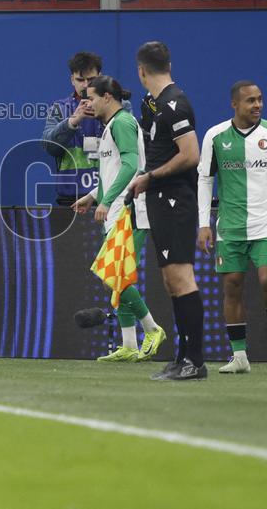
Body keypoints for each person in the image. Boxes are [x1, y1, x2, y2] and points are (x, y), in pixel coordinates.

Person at [197, 81, 267, 375]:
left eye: (259, 100)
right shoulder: (215, 136)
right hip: (230, 227)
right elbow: (205, 179)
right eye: (250, 101)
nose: (257, 105)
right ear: (235, 104)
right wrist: (203, 224)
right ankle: (239, 356)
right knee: (232, 286)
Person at [126, 41, 207, 381]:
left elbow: (190, 154)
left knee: (181, 277)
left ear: (141, 71)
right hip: (160, 198)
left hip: (176, 198)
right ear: (169, 65)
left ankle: (195, 361)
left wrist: (151, 177)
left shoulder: (175, 103)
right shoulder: (156, 104)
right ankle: (182, 356)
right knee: (170, 279)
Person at [72, 75, 166, 363]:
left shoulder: (123, 122)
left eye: (91, 98)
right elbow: (112, 171)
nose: (88, 103)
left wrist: (107, 199)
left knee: (113, 276)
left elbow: (131, 165)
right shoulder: (111, 126)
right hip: (115, 210)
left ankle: (152, 329)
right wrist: (93, 195)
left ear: (107, 97)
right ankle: (128, 345)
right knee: (115, 277)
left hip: (129, 211)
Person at [41, 52, 103, 206]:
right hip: (70, 199)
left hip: (108, 198)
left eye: (91, 80)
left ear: (100, 77)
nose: (86, 85)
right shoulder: (59, 108)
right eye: (80, 80)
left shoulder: (118, 105)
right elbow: (49, 146)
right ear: (72, 80)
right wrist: (72, 121)